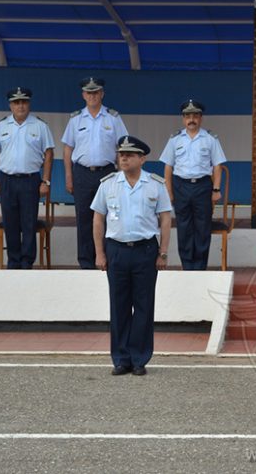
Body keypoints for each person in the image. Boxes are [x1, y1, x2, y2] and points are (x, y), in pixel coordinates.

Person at [91, 136, 172, 376]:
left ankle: (139, 358)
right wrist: (99, 253)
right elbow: (98, 218)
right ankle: (120, 358)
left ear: (142, 158)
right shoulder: (108, 184)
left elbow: (165, 218)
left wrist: (163, 252)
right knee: (119, 306)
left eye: (129, 154)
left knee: (144, 306)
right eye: (121, 154)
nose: (123, 158)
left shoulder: (155, 184)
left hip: (145, 250)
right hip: (116, 250)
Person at [61, 77, 128, 269]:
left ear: (102, 94)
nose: (92, 96)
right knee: (84, 219)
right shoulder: (75, 119)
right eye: (88, 93)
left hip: (106, 174)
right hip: (81, 173)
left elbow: (122, 147)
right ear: (83, 95)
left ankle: (107, 260)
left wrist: (122, 175)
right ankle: (86, 262)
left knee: (110, 217)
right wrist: (68, 176)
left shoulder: (113, 118)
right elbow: (67, 150)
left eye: (96, 92)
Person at [0, 87, 55, 269]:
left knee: (28, 223)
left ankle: (27, 263)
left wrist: (46, 181)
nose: (20, 106)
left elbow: (49, 154)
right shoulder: (1, 126)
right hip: (7, 180)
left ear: (29, 104)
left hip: (30, 180)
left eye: (24, 102)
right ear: (10, 105)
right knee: (10, 223)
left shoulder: (40, 126)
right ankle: (13, 262)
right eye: (16, 102)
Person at [159, 99, 226, 270]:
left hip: (203, 186)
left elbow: (217, 165)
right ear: (183, 119)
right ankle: (187, 266)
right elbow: (168, 166)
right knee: (184, 227)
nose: (191, 119)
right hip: (181, 186)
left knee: (203, 227)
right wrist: (169, 191)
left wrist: (216, 189)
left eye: (195, 116)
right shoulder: (175, 139)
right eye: (187, 116)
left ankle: (200, 267)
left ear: (201, 118)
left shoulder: (210, 138)